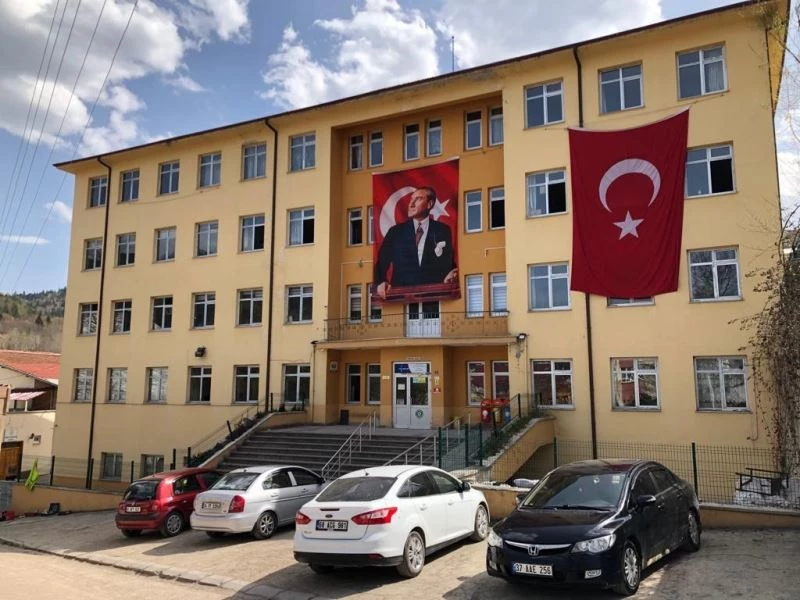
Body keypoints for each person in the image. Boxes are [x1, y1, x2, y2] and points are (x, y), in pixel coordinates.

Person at [374, 187, 458, 300]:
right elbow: (381, 263)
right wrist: (381, 281)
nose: (411, 204)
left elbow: (448, 261)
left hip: (433, 297)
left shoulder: (442, 230)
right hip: (401, 297)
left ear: (429, 204)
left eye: (418, 199)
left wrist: (453, 272)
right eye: (411, 199)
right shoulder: (395, 232)